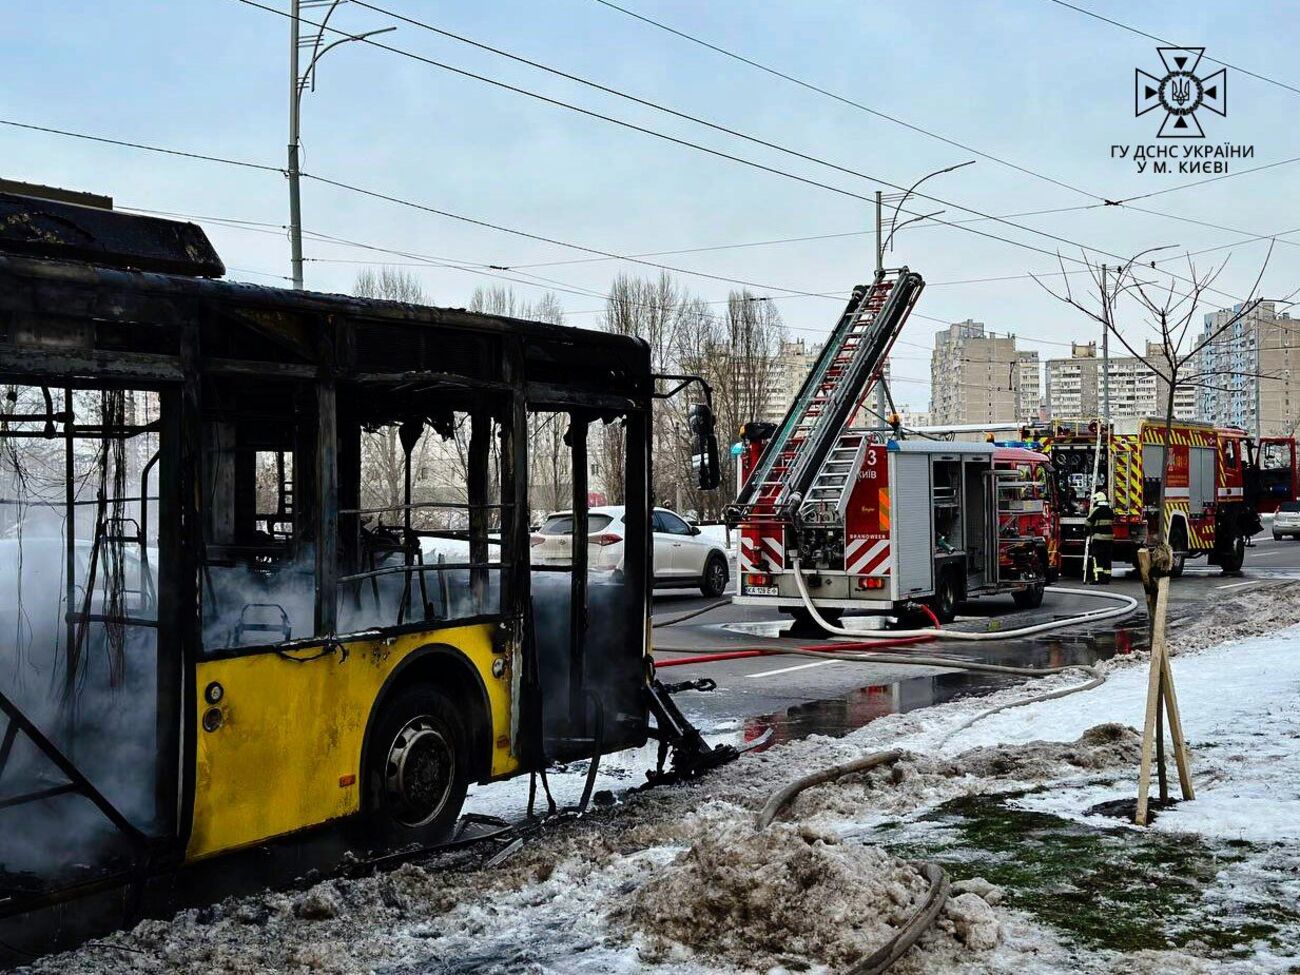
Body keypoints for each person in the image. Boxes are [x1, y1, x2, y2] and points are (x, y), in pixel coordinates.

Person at [1086, 490, 1114, 584]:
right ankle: (1107, 578)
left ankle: (1098, 578)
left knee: (1097, 558)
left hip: (1098, 538)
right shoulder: (1110, 511)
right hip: (1109, 539)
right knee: (1107, 558)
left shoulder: (1095, 510)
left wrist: (1087, 531)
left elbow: (1088, 523)